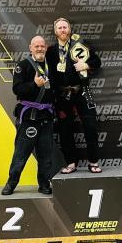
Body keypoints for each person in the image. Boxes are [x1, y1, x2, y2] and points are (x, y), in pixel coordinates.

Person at [46, 17, 103, 174]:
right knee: (65, 129)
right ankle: (71, 163)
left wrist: (86, 65)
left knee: (90, 126)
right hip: (62, 94)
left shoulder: (80, 46)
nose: (63, 30)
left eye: (65, 27)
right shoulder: (50, 51)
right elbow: (48, 73)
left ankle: (93, 161)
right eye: (59, 28)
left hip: (81, 90)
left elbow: (97, 61)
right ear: (55, 32)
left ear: (70, 29)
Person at [2, 36, 55, 196]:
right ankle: (11, 183)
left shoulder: (51, 66)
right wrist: (34, 85)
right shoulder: (23, 66)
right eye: (36, 46)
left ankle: (44, 184)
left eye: (42, 46)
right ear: (30, 48)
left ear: (46, 48)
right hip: (29, 119)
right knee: (21, 154)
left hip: (46, 117)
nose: (39, 49)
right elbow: (17, 89)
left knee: (46, 155)